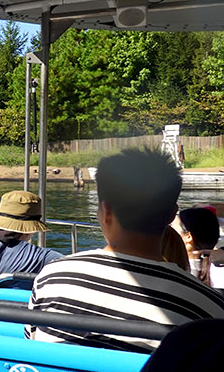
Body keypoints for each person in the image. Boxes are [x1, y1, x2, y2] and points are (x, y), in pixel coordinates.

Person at [27, 149, 224, 352]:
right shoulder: (210, 307)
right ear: (172, 214)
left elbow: (32, 342)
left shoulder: (52, 276)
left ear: (106, 212)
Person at [171, 206, 220, 285]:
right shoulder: (217, 272)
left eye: (171, 227)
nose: (166, 231)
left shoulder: (176, 271)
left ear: (188, 237)